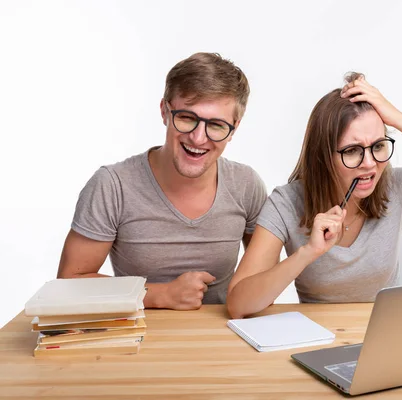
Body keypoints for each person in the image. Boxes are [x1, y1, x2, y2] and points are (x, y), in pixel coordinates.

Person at [226, 73, 402, 318]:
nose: (370, 163)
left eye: (378, 146)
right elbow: (239, 305)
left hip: (387, 334)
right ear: (323, 156)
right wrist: (308, 252)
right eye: (353, 151)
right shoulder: (285, 203)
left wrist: (397, 119)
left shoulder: (395, 185)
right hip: (319, 339)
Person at [57, 52, 267, 310]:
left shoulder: (246, 185)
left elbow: (262, 279)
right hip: (137, 339)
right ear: (165, 112)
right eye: (187, 118)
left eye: (216, 125)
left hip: (220, 339)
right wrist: (159, 295)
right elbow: (69, 282)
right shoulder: (112, 185)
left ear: (234, 127)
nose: (199, 138)